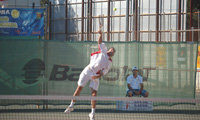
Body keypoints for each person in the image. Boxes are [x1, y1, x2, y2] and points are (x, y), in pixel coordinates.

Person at [64, 29, 115, 120]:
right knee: (79, 88)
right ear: (108, 50)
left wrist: (97, 76)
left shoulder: (109, 63)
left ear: (113, 55)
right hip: (87, 71)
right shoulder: (104, 50)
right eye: (111, 50)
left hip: (95, 75)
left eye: (113, 52)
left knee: (94, 94)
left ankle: (92, 113)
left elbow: (103, 73)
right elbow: (99, 41)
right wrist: (100, 34)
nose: (111, 51)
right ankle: (71, 106)